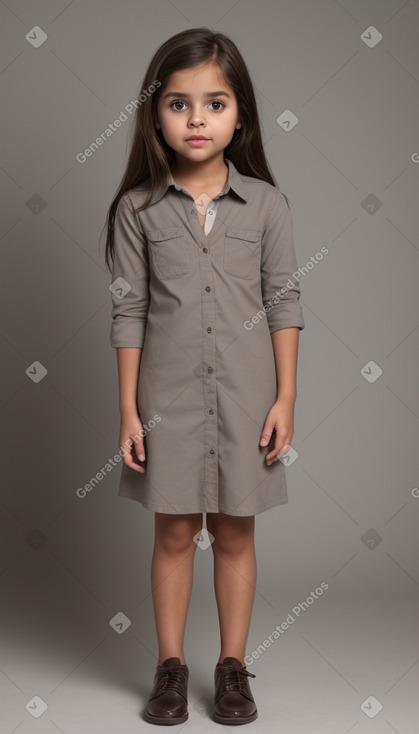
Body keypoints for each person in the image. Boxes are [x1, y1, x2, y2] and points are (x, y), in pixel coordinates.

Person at [104, 27, 305, 726]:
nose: (196, 120)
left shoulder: (268, 207)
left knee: (235, 534)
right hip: (167, 403)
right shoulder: (137, 210)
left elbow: (285, 302)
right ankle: (168, 668)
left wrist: (285, 396)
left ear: (240, 114)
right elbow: (128, 312)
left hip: (247, 399)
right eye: (179, 104)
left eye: (214, 104)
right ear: (154, 114)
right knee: (171, 532)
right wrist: (129, 410)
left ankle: (231, 668)